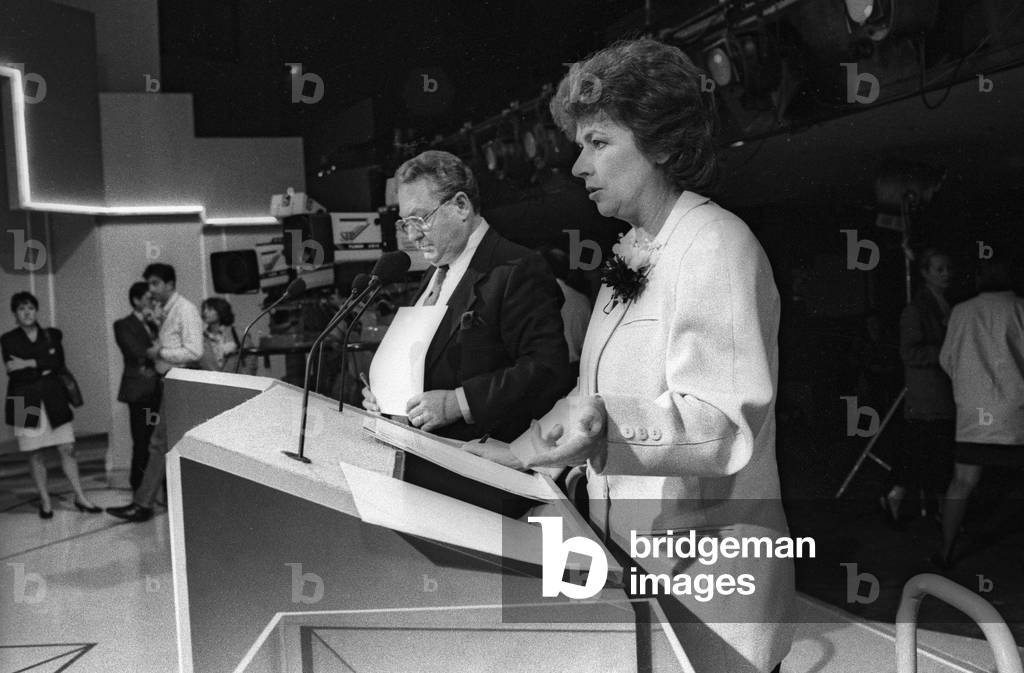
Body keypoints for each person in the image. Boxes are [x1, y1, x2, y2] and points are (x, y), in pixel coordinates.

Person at [468, 39, 794, 673]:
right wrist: (516, 450)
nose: (576, 168)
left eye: (598, 143)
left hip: (710, 583)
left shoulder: (717, 244)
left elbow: (722, 429)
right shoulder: (631, 251)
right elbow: (591, 390)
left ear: (661, 143)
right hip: (640, 565)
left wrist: (595, 429)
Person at [361, 150, 572, 443]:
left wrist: (458, 403)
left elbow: (547, 369)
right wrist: (386, 399)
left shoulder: (516, 268)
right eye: (405, 224)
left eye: (420, 219)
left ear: (461, 206)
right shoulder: (433, 274)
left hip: (484, 461)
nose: (412, 236)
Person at [936, 255, 1024, 567]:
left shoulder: (961, 311)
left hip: (974, 414)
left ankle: (946, 550)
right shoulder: (1019, 309)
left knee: (962, 482)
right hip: (1015, 414)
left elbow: (946, 359)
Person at [107, 263, 203, 522]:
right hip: (170, 381)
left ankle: (144, 504)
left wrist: (160, 352)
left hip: (180, 381)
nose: (151, 290)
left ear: (170, 284)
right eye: (149, 284)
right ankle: (146, 502)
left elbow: (195, 351)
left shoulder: (185, 310)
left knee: (160, 444)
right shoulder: (168, 310)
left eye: (155, 284)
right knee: (160, 444)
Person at [3, 292, 100, 517]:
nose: (27, 312)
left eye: (30, 308)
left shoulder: (52, 335)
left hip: (53, 397)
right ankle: (45, 501)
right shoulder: (7, 339)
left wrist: (28, 362)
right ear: (15, 314)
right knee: (34, 454)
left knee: (68, 448)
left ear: (36, 310)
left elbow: (57, 363)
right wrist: (42, 365)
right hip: (23, 399)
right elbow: (15, 373)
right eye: (21, 309)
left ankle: (80, 496)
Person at [884, 249, 956, 523]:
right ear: (925, 273)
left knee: (934, 451)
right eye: (939, 269)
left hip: (943, 393)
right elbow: (909, 353)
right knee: (925, 450)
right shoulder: (917, 310)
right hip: (927, 394)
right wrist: (947, 351)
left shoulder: (946, 304)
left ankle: (932, 506)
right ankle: (900, 496)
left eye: (948, 268)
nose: (946, 274)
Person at [113, 282, 162, 491]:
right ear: (136, 300)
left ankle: (155, 487)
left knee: (157, 440)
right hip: (139, 391)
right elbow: (136, 352)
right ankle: (138, 487)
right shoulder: (123, 324)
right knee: (141, 440)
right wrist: (159, 347)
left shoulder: (155, 324)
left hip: (157, 389)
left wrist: (158, 325)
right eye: (149, 299)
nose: (153, 302)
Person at [541, 247, 592, 375]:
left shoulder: (538, 296)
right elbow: (585, 344)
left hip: (548, 373)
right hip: (576, 371)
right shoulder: (583, 300)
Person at [198, 297, 256, 374]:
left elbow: (251, 359)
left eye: (210, 309)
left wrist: (245, 380)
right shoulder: (200, 338)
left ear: (220, 310)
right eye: (203, 309)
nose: (205, 312)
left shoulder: (237, 334)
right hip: (211, 383)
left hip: (237, 382)